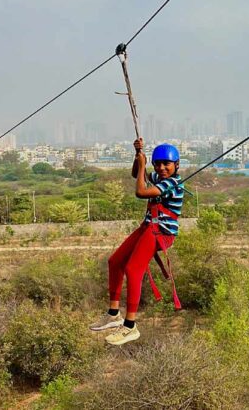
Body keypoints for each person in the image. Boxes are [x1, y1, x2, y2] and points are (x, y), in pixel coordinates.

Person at [89, 138, 184, 345]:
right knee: (115, 262)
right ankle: (114, 314)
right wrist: (138, 157)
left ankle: (130, 326)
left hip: (161, 232)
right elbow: (136, 175)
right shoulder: (159, 177)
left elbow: (140, 191)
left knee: (133, 270)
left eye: (166, 164)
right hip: (149, 227)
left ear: (176, 165)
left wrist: (142, 165)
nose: (161, 168)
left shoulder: (172, 182)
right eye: (157, 164)